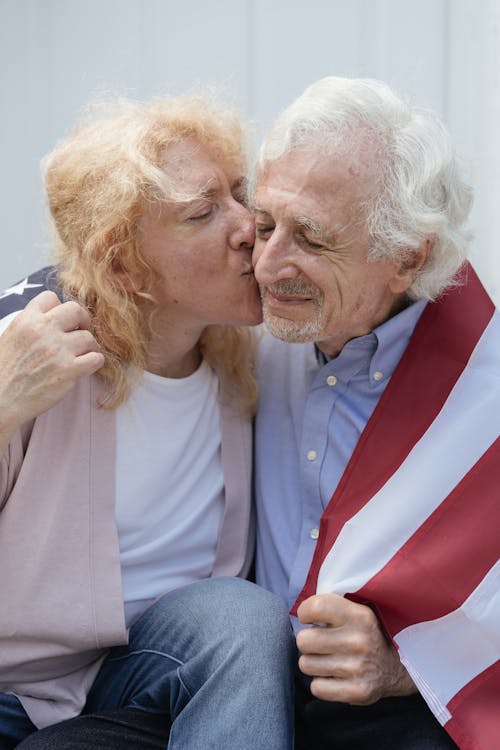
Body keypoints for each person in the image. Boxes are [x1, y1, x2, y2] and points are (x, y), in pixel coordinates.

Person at [0, 94, 295, 749]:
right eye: (202, 212)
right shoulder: (26, 341)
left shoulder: (248, 351)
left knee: (241, 615)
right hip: (11, 691)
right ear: (123, 263)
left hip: (141, 675)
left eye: (240, 194)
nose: (249, 226)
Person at [252, 76, 499, 750]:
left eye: (311, 238)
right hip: (233, 678)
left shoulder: (486, 393)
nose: (270, 266)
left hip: (390, 717)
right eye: (265, 224)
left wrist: (401, 670)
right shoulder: (237, 333)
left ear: (406, 257)